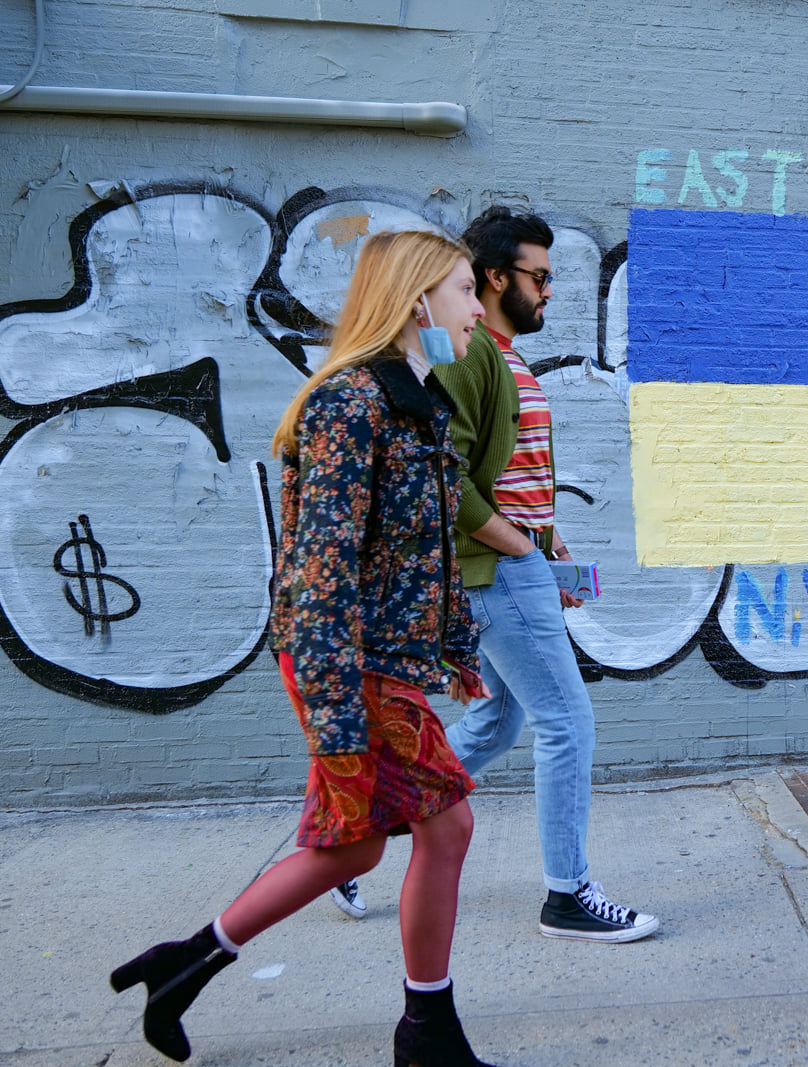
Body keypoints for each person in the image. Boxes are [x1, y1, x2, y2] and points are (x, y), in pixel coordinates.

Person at [110, 230, 500, 1067]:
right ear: (417, 299)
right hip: (348, 663)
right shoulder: (350, 404)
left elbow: (425, 550)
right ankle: (427, 1032)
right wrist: (335, 716)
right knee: (448, 825)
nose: (478, 307)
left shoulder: (417, 401)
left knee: (355, 845)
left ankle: (185, 963)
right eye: (466, 289)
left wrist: (455, 649)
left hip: (379, 661)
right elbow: (320, 573)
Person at [336, 206, 657, 942]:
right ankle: (568, 894)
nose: (549, 290)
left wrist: (549, 539)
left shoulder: (501, 354)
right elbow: (449, 475)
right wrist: (519, 548)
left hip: (514, 561)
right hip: (499, 570)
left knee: (496, 720)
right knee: (566, 722)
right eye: (538, 277)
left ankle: (356, 835)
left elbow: (511, 472)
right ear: (495, 277)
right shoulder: (472, 352)